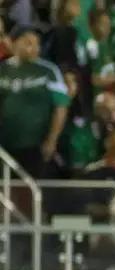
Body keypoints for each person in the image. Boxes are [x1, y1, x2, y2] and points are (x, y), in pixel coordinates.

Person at [0, 25, 69, 177]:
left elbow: (61, 106)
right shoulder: (2, 70)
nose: (34, 48)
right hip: (5, 144)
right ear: (13, 43)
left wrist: (52, 140)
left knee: (30, 191)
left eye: (37, 43)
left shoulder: (49, 70)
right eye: (28, 42)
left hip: (36, 146)